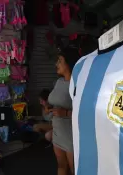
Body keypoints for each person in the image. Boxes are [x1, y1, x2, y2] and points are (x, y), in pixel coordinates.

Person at [48, 47, 79, 175]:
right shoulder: (59, 82)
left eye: (60, 61)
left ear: (69, 63)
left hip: (70, 134)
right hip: (58, 131)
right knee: (61, 165)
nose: (57, 64)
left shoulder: (77, 84)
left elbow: (84, 112)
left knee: (75, 169)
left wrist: (65, 113)